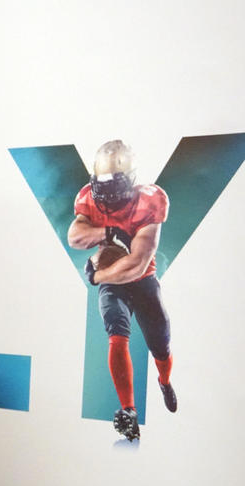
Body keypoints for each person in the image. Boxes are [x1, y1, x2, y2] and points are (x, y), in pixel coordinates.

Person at [68, 140, 178, 441]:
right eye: (102, 187)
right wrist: (109, 231)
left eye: (114, 187)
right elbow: (75, 237)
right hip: (112, 280)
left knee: (160, 344)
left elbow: (136, 265)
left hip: (142, 280)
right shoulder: (88, 198)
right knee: (116, 336)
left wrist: (97, 276)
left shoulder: (149, 201)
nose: (108, 196)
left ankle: (164, 381)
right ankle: (129, 411)